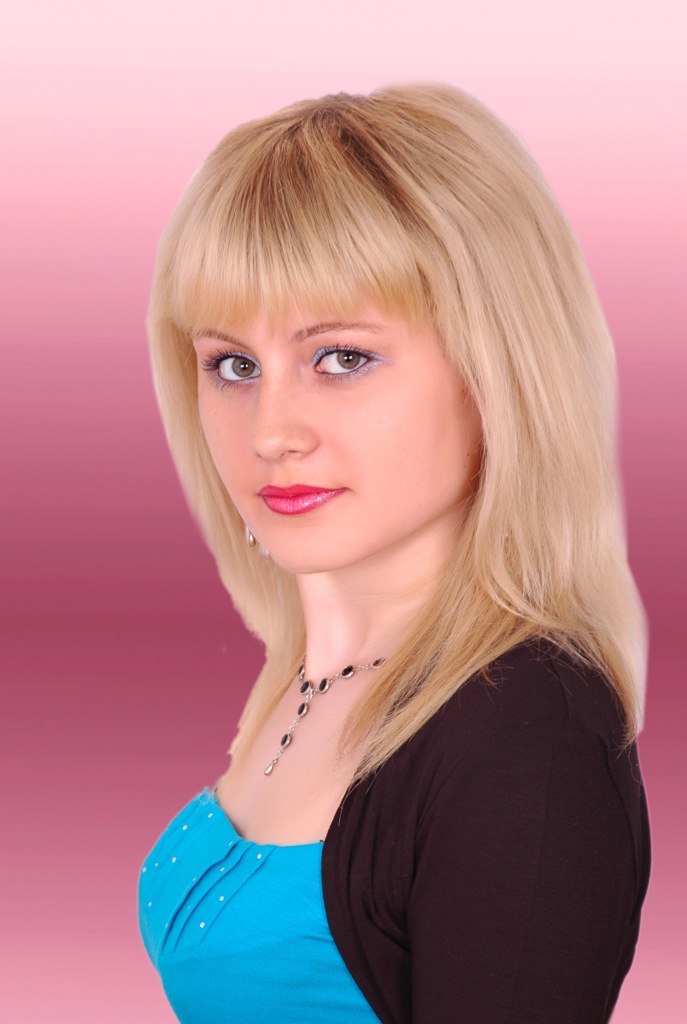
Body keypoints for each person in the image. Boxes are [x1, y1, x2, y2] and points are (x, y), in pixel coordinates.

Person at [137, 83, 650, 1023]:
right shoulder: (309, 676)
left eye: (341, 358)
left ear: (493, 371)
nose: (271, 433)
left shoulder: (525, 743)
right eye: (233, 365)